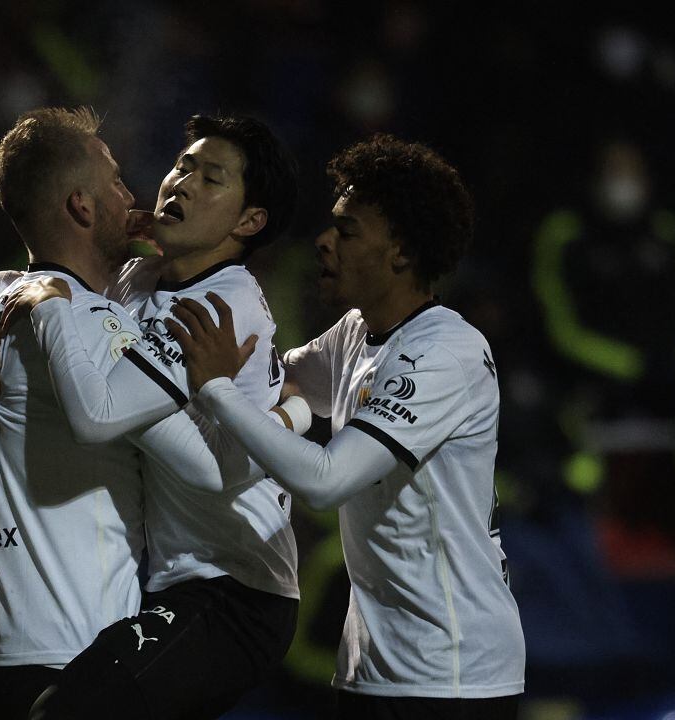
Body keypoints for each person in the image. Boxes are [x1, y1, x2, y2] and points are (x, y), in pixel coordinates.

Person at [0, 114, 303, 720]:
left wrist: (293, 415)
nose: (172, 185)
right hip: (120, 606)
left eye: (210, 177)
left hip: (231, 585)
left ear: (249, 221)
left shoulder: (213, 308)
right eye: (182, 166)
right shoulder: (126, 287)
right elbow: (58, 280)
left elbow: (120, 418)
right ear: (84, 206)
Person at [165, 135, 526, 719]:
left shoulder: (445, 351)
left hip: (453, 676)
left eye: (347, 230)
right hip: (373, 670)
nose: (323, 240)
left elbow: (328, 480)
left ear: (401, 252)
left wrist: (217, 390)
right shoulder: (356, 332)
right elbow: (274, 380)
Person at [0, 106, 157, 720]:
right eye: (116, 181)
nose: (131, 196)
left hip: (13, 645)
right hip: (74, 649)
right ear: (82, 207)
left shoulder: (10, 304)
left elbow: (2, 286)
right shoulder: (84, 323)